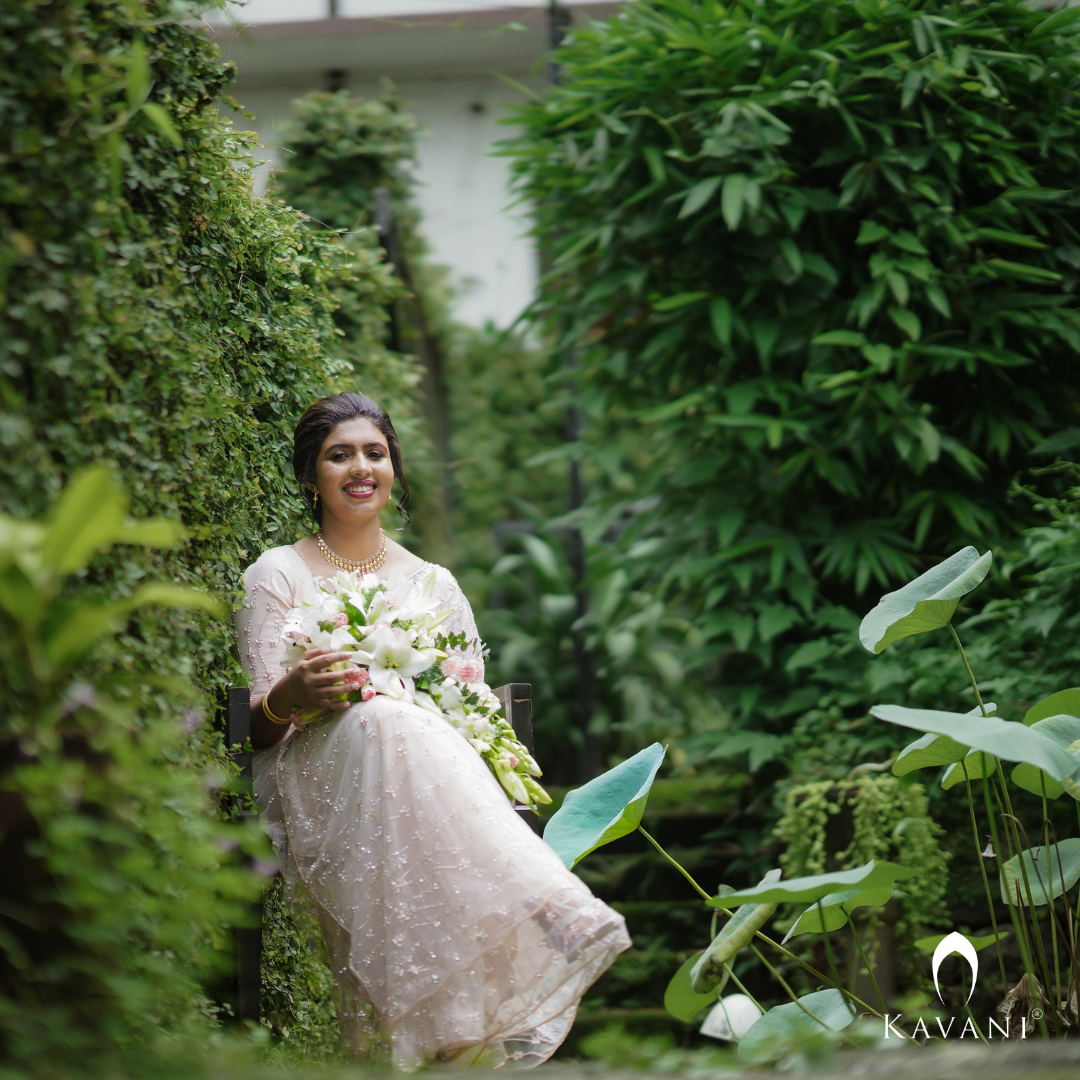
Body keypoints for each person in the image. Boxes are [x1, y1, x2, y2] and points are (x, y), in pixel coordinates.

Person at [236, 392, 630, 1068]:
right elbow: (258, 732)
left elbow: (470, 707)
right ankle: (541, 897)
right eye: (339, 456)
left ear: (394, 469)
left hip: (425, 777)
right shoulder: (278, 573)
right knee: (387, 720)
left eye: (374, 453)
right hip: (315, 767)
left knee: (402, 724)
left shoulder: (434, 583)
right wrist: (292, 695)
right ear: (310, 477)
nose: (360, 467)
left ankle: (440, 1035)